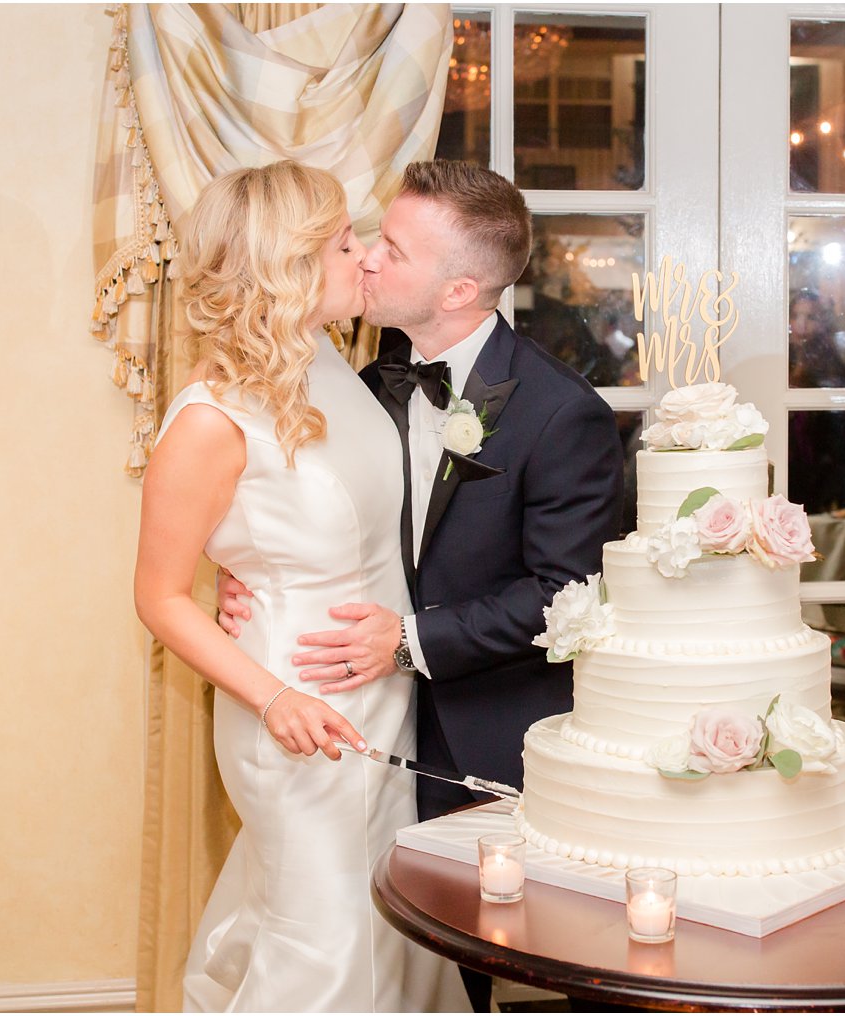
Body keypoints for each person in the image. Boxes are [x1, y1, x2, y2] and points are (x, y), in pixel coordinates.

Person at [133, 161, 469, 1013]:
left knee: (387, 923)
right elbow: (158, 593)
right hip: (297, 710)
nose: (365, 259)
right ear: (285, 267)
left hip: (380, 690)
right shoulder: (210, 419)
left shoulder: (329, 363)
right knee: (322, 939)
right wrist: (274, 694)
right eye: (345, 244)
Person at [219, 162, 623, 817]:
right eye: (374, 239)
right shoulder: (367, 384)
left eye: (393, 251)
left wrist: (410, 642)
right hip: (359, 723)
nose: (367, 260)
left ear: (458, 289)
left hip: (485, 739)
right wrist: (245, 569)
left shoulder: (561, 413)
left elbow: (566, 596)